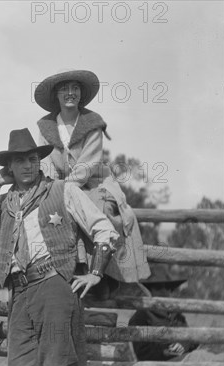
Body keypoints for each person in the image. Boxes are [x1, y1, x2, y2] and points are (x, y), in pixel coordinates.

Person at [0, 128, 119, 366]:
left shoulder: (62, 190)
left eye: (32, 159)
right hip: (19, 292)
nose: (28, 165)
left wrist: (95, 272)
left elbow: (104, 229)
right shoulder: (4, 203)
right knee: (19, 362)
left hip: (53, 284)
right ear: (9, 167)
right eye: (20, 160)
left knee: (57, 361)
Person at [34, 70, 151, 293]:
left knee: (103, 207)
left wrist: (66, 189)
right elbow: (45, 161)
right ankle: (66, 268)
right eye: (65, 89)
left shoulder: (92, 123)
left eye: (75, 89)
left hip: (94, 179)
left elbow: (89, 163)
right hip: (58, 183)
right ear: (57, 95)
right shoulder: (46, 126)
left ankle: (104, 273)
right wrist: (55, 188)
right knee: (49, 211)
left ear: (81, 94)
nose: (70, 93)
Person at [129, 264, 198, 361]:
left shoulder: (176, 314)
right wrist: (165, 352)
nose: (164, 292)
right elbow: (141, 352)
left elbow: (190, 339)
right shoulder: (141, 316)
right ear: (151, 291)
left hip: (183, 359)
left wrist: (183, 345)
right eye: (159, 288)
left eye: (168, 288)